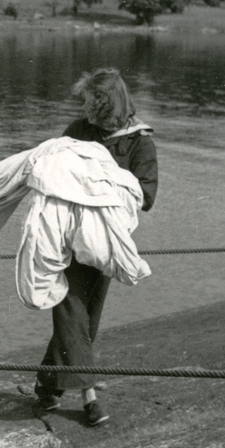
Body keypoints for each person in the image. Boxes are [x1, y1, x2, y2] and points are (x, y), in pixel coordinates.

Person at [33, 68, 158, 427]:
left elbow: (146, 195)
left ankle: (46, 386)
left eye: (89, 101)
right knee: (70, 310)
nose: (83, 108)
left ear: (106, 104)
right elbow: (51, 171)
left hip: (106, 243)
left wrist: (101, 187)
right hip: (67, 239)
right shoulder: (77, 132)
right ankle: (90, 398)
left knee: (86, 319)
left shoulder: (139, 142)